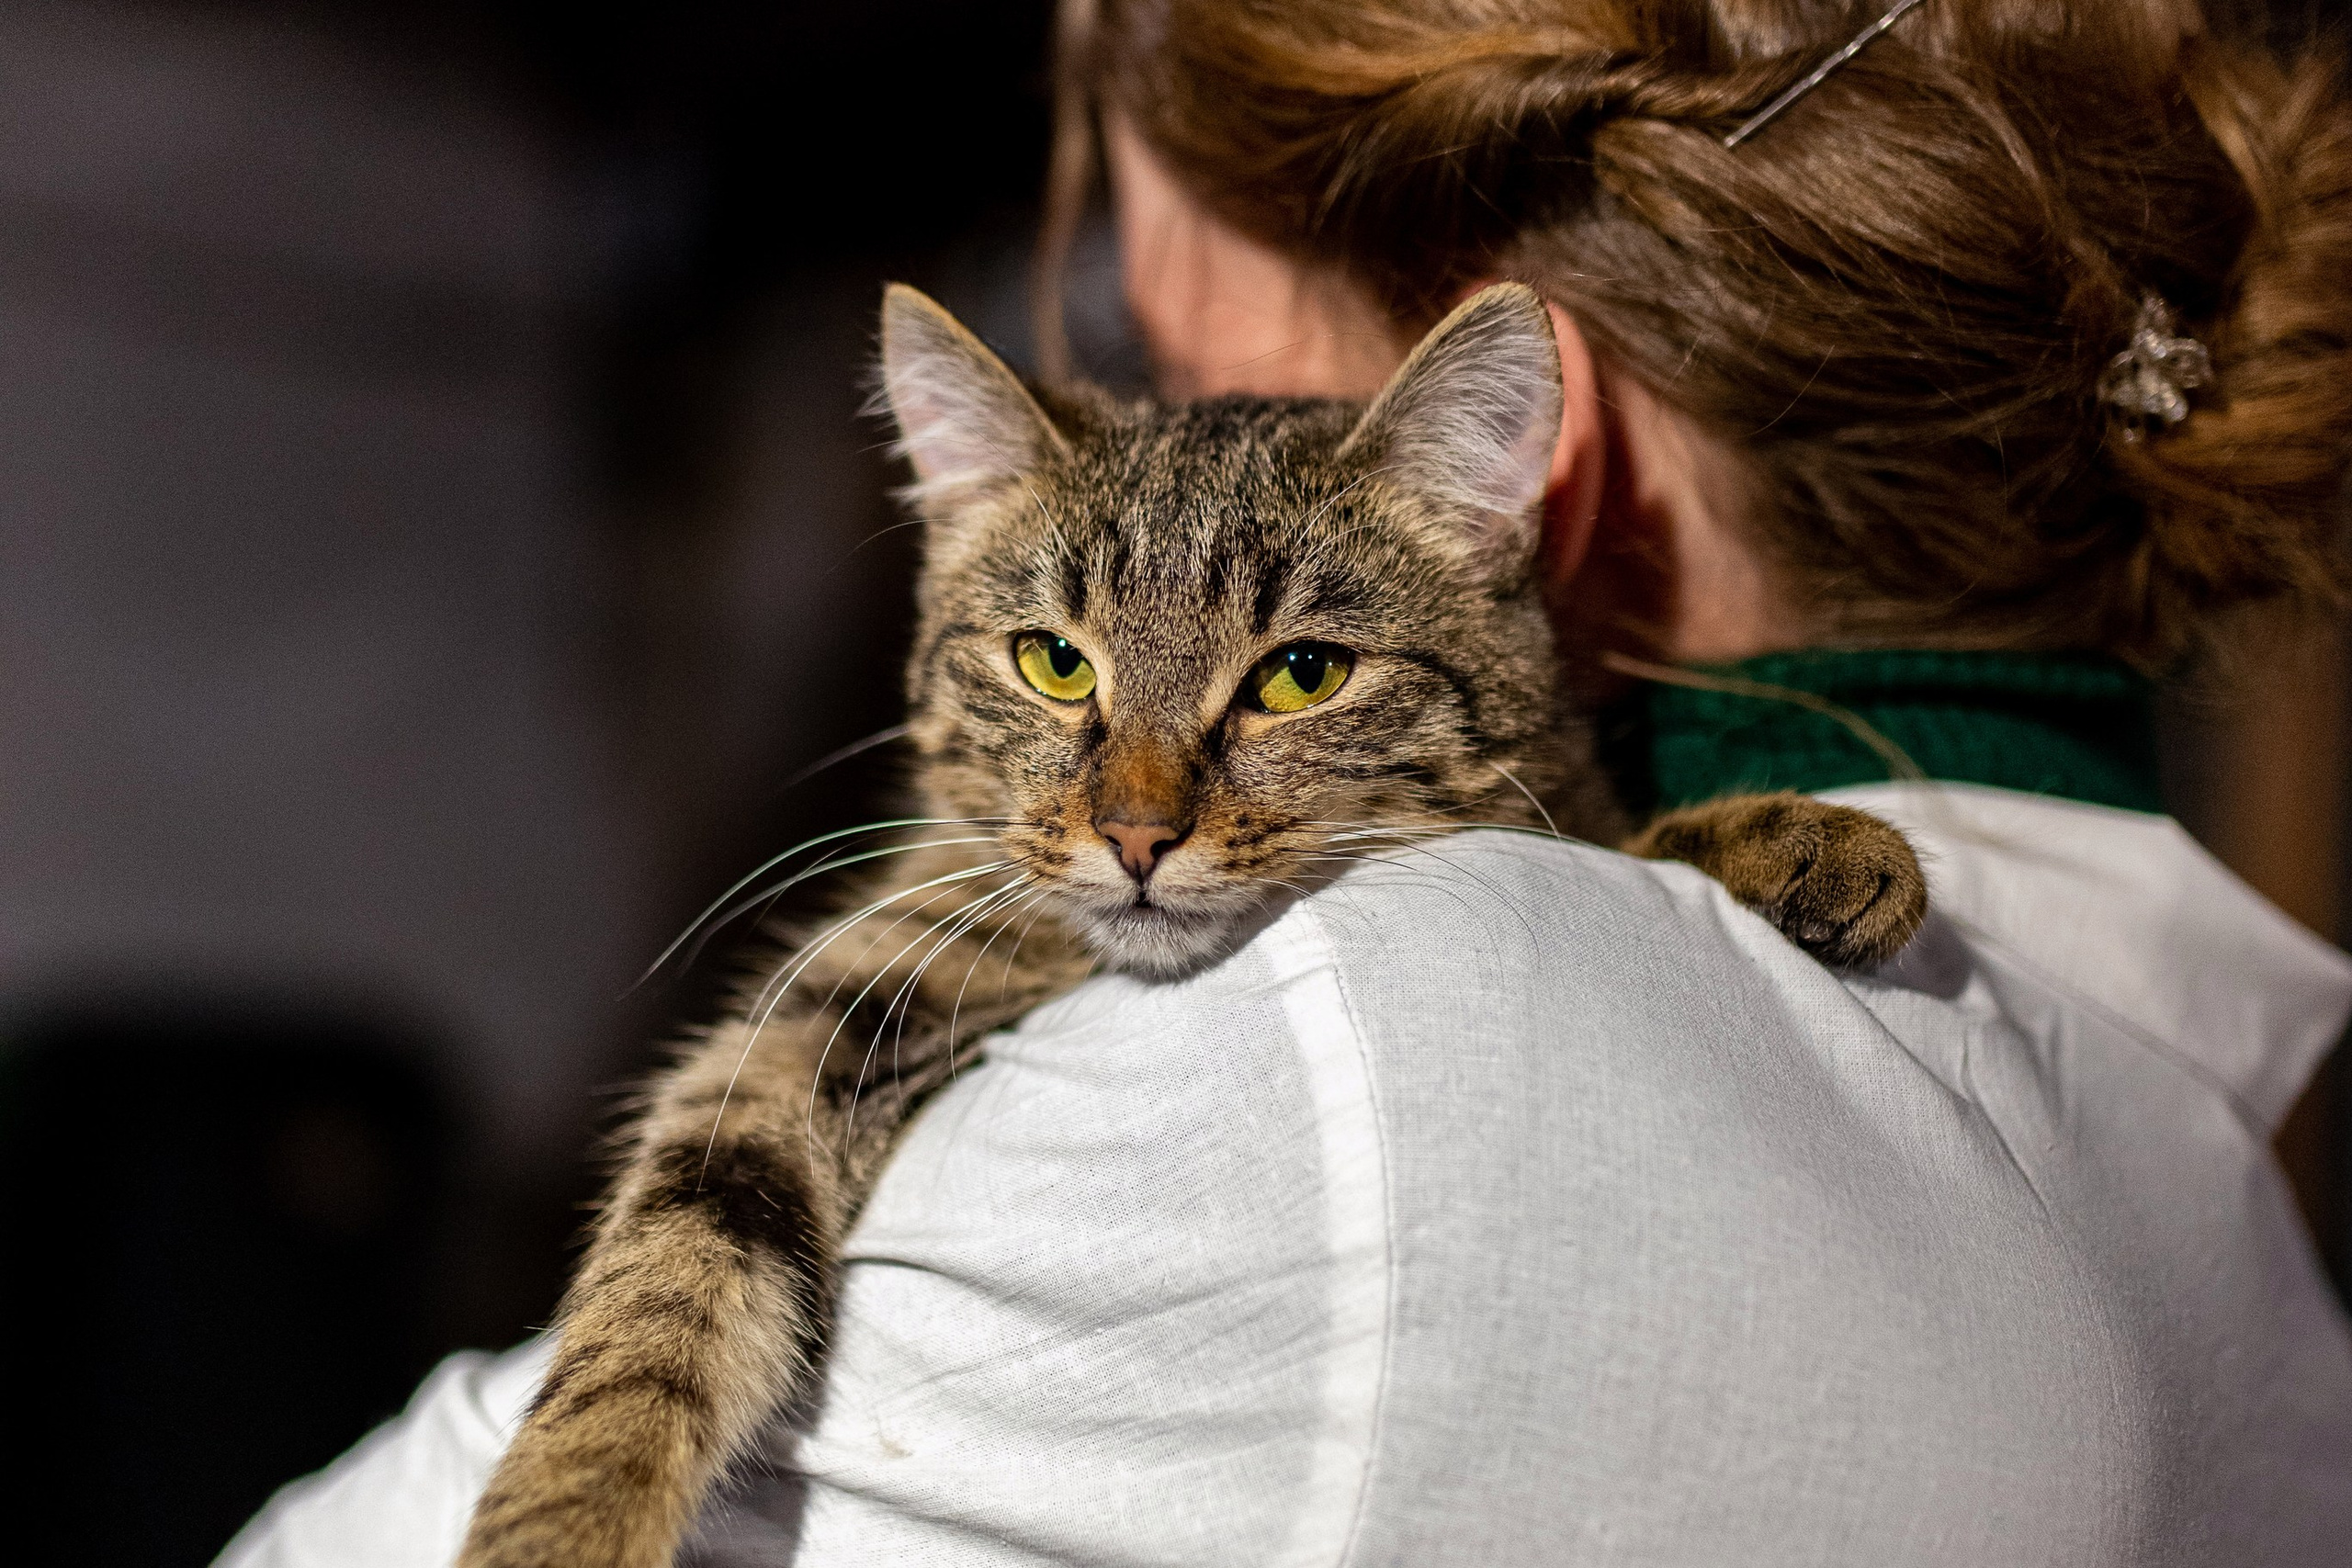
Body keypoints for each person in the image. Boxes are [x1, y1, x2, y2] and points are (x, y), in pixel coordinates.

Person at [222, 2, 2352, 1562]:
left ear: (1537, 464)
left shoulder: (1348, 1057)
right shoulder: (2224, 1210)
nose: (1139, 797)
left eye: (1153, 293)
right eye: (1060, 657)